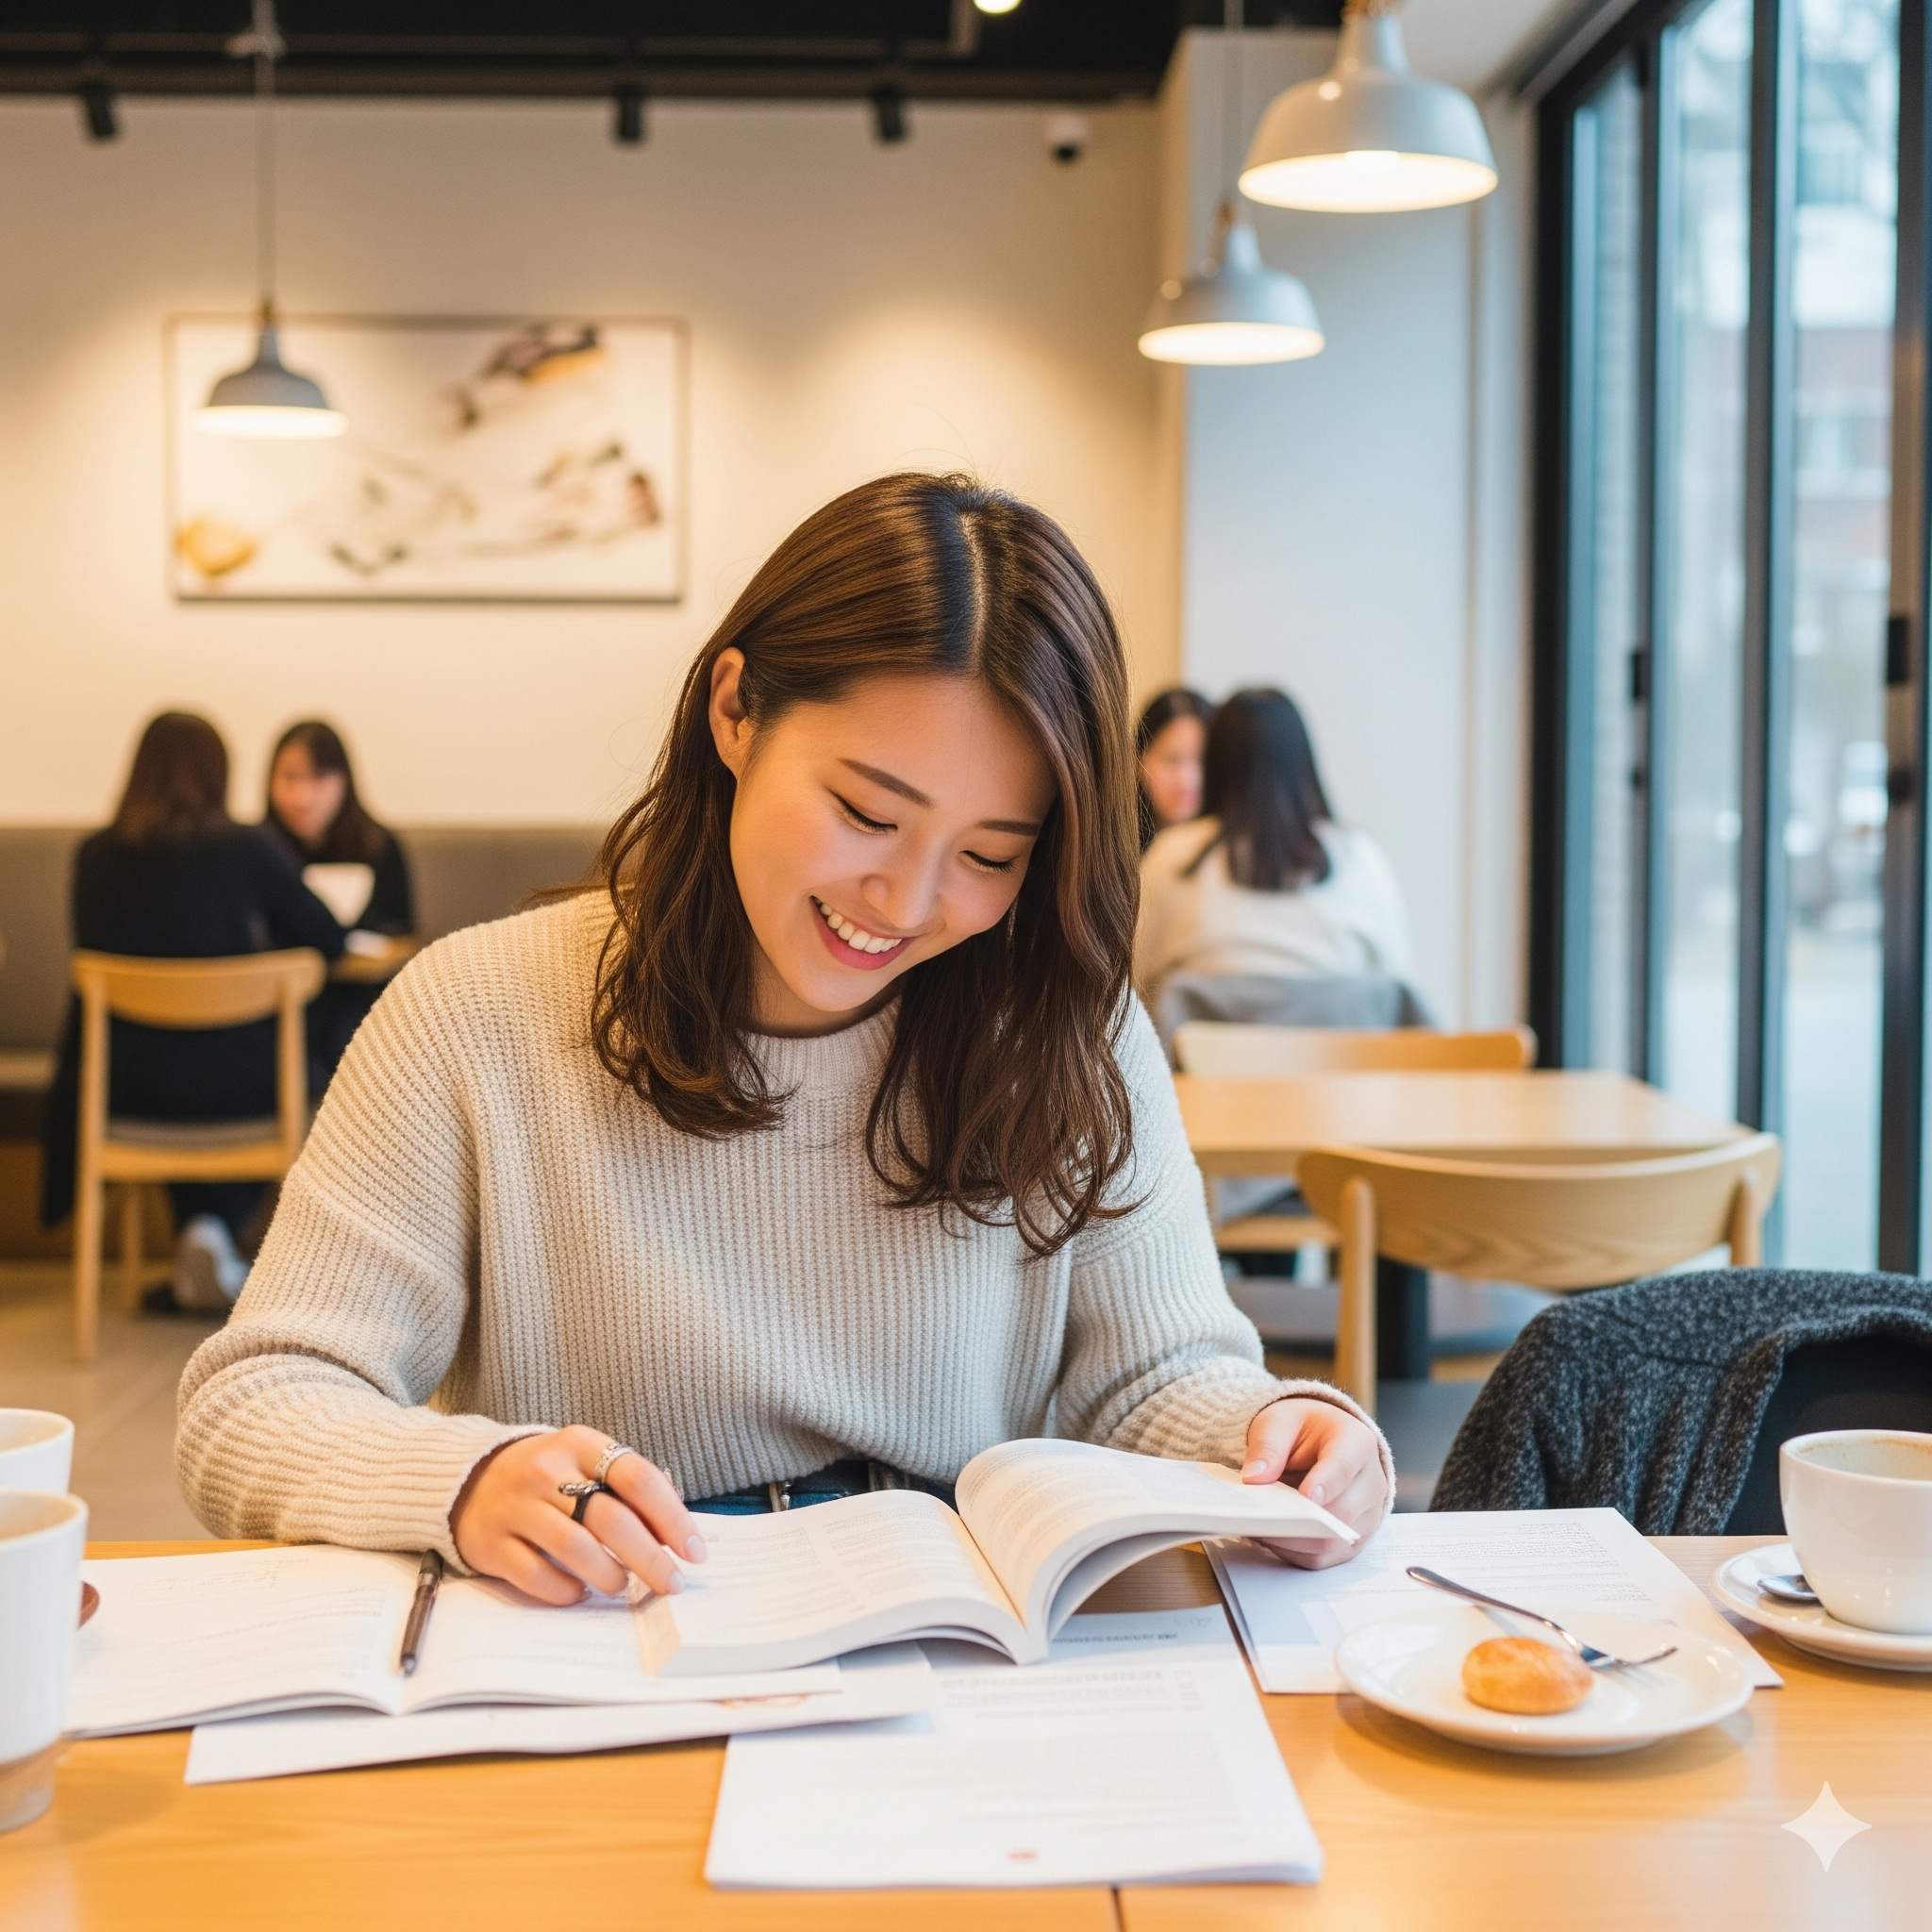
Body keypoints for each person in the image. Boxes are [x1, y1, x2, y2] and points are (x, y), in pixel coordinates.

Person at [177, 475, 1391, 1607]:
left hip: (959, 1643)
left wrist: (1279, 1436)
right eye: (866, 812)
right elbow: (253, 1400)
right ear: (734, 711)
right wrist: (460, 1478)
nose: (906, 902)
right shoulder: (473, 1015)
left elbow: (1153, 1378)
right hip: (616, 1635)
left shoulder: (1063, 1032)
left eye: (988, 854)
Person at [40, 711, 345, 1311]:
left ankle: (201, 1233)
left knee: (179, 1073)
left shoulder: (95, 856)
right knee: (294, 1068)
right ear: (217, 776)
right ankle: (216, 1234)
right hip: (241, 1088)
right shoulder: (246, 848)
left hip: (125, 1089)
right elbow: (328, 938)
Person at [1135, 687, 1412, 1007]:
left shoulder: (1174, 857)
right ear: (1304, 764)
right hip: (1342, 1054)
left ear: (1215, 765)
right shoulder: (1360, 858)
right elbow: (1397, 987)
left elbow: (1134, 982)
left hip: (1209, 1056)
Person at [261, 720, 415, 1076]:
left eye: (319, 778)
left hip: (360, 1006)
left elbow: (402, 933)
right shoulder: (259, 852)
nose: (304, 796)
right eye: (289, 778)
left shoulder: (379, 847)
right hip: (275, 1006)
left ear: (344, 780)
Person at [1135, 687, 1212, 849]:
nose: (1187, 780)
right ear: (1138, 760)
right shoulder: (1116, 848)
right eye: (1172, 759)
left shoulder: (1232, 854)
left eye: (1202, 760)